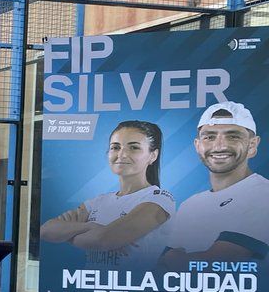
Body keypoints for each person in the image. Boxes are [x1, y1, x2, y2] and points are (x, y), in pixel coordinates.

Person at [41, 120, 174, 268]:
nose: (122, 155)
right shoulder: (98, 202)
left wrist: (69, 234)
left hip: (133, 288)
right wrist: (92, 227)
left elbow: (102, 240)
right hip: (91, 287)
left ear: (153, 155)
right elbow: (46, 230)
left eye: (134, 148)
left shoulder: (159, 199)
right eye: (115, 147)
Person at [160, 101, 269, 270]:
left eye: (232, 136)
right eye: (210, 137)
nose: (219, 146)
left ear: (252, 146)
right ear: (198, 145)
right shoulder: (191, 205)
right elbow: (160, 267)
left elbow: (215, 263)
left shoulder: (263, 195)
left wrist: (178, 260)